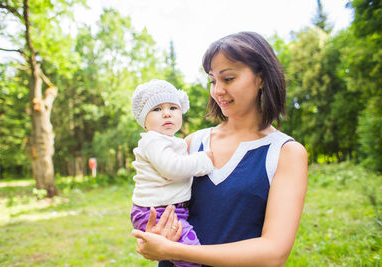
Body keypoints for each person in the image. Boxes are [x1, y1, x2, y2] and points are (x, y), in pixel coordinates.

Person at [131, 31, 308, 267]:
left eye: (229, 78)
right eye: (213, 80)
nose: (218, 91)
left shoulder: (286, 153)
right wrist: (154, 234)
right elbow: (158, 202)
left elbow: (274, 253)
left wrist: (178, 251)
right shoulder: (193, 143)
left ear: (261, 78)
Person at [130, 79, 215, 267]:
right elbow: (172, 168)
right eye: (157, 109)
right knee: (190, 255)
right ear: (144, 121)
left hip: (169, 209)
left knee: (184, 254)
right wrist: (204, 160)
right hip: (156, 211)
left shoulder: (169, 141)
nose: (167, 113)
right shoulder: (153, 141)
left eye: (173, 108)